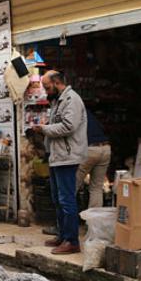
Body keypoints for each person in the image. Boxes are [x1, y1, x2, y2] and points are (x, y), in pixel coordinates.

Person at [33, 71, 87, 255]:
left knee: (66, 199)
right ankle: (63, 235)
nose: (46, 91)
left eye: (48, 87)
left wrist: (44, 129)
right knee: (57, 199)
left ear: (57, 83)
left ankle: (72, 241)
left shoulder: (72, 99)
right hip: (57, 156)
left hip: (67, 156)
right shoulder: (59, 101)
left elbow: (68, 126)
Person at [76, 109, 111, 209]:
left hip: (89, 149)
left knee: (72, 187)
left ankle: (67, 221)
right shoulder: (88, 113)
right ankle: (94, 222)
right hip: (105, 148)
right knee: (97, 188)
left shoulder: (72, 112)